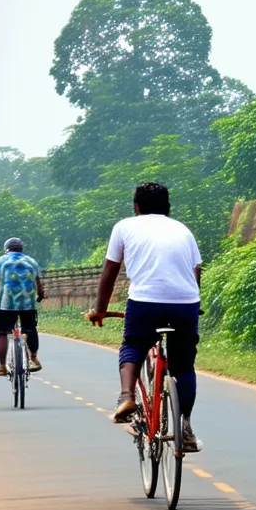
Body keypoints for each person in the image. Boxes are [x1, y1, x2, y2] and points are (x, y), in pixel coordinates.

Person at [87, 182, 203, 453]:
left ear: (136, 206)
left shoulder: (124, 227)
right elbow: (196, 271)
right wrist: (192, 305)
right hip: (185, 302)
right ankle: (185, 427)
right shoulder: (183, 230)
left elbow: (110, 272)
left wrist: (100, 309)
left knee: (134, 345)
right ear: (168, 206)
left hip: (145, 302)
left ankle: (126, 397)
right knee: (183, 366)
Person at [0, 237, 45, 376]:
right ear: (22, 249)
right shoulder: (31, 261)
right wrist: (41, 295)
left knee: (2, 333)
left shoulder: (1, 261)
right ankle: (34, 359)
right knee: (30, 329)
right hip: (28, 304)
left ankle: (1, 367)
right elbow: (39, 284)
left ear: (7, 249)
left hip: (7, 305)